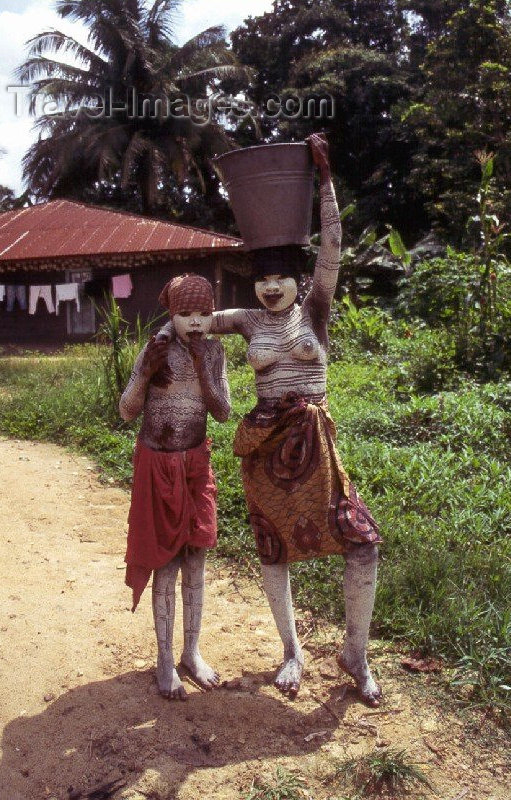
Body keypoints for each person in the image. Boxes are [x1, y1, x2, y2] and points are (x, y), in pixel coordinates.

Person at [157, 134, 382, 706]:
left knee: (362, 542)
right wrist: (161, 347)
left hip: (316, 445)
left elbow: (331, 246)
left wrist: (325, 179)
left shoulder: (316, 308)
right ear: (254, 283)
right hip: (263, 447)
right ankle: (292, 650)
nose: (273, 286)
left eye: (282, 277)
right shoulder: (247, 320)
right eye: (263, 278)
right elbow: (193, 320)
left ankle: (355, 653)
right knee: (273, 549)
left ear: (300, 280)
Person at [119, 273, 231, 701]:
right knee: (164, 562)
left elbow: (221, 412)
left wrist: (204, 367)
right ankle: (165, 661)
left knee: (196, 558)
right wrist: (145, 372)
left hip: (195, 464)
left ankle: (191, 651)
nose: (197, 322)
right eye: (187, 314)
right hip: (157, 465)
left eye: (204, 313)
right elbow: (128, 410)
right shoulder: (156, 349)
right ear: (172, 313)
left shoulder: (215, 351)